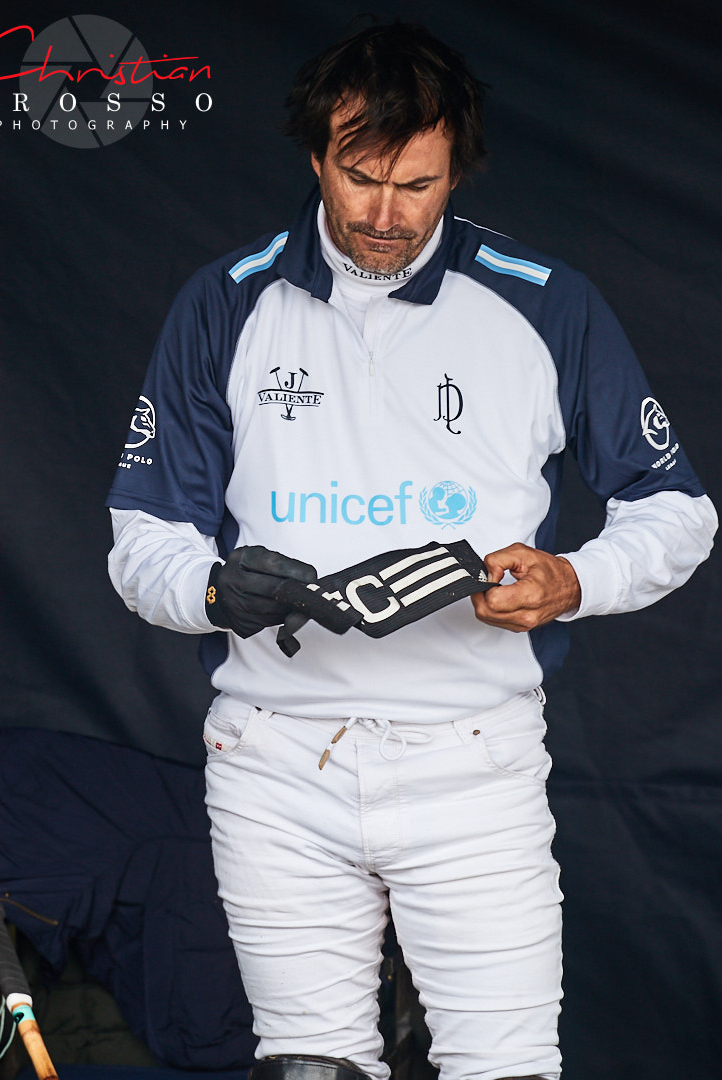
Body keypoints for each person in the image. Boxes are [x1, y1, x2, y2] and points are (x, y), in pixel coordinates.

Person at [106, 22, 716, 1080]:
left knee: (503, 1069)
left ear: (456, 172)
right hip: (273, 759)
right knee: (306, 1068)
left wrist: (575, 579)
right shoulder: (226, 301)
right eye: (360, 177)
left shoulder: (545, 303)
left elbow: (677, 509)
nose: (385, 215)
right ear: (316, 156)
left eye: (417, 185)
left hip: (472, 760)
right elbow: (140, 537)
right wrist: (209, 588)